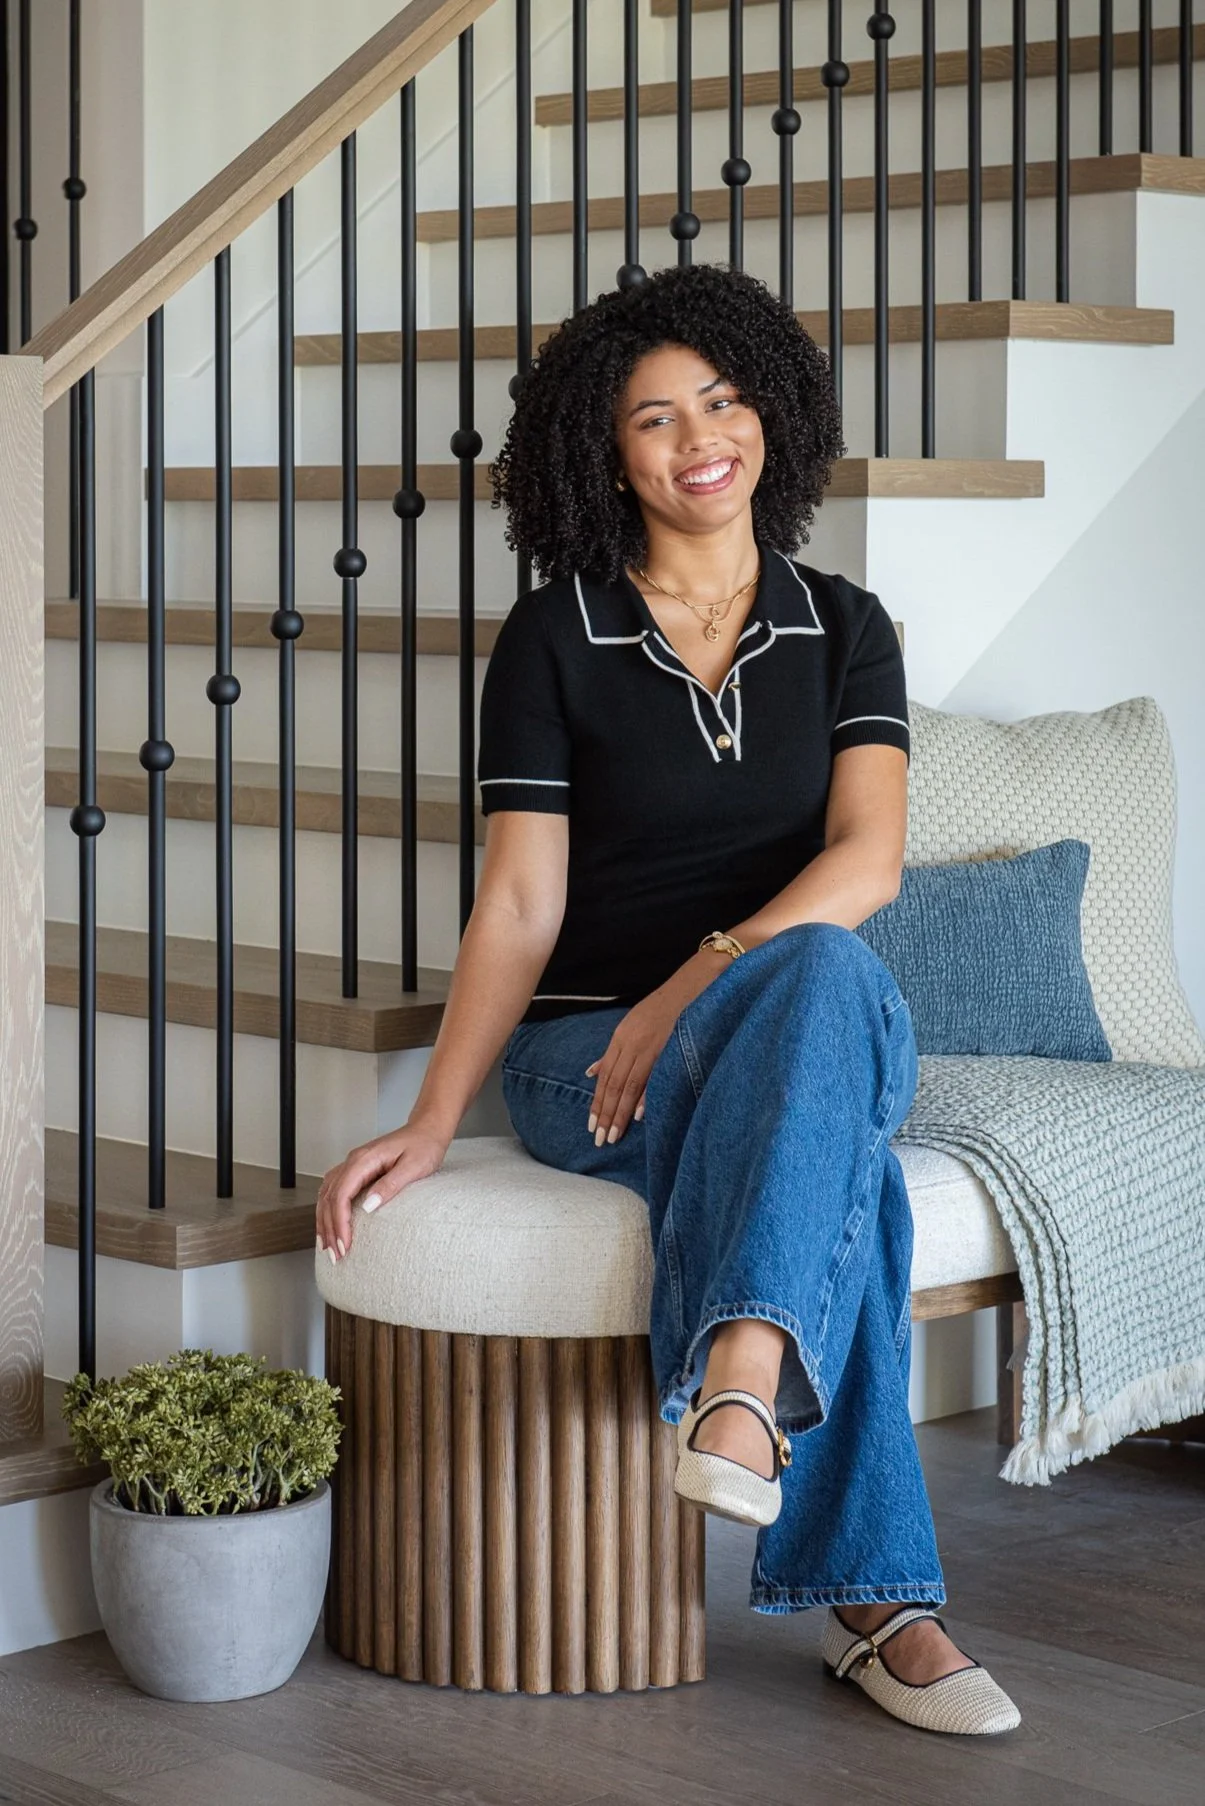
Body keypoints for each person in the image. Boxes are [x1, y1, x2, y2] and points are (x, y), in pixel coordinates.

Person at [315, 262, 1019, 1736]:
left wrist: (700, 970)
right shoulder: (555, 635)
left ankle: (741, 1382)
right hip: (591, 1058)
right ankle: (881, 1603)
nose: (701, 435)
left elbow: (869, 862)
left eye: (723, 396)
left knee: (820, 968)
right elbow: (521, 901)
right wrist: (436, 1117)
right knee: (854, 1182)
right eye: (654, 417)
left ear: (773, 411)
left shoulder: (847, 624)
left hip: (766, 1015)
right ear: (604, 454)